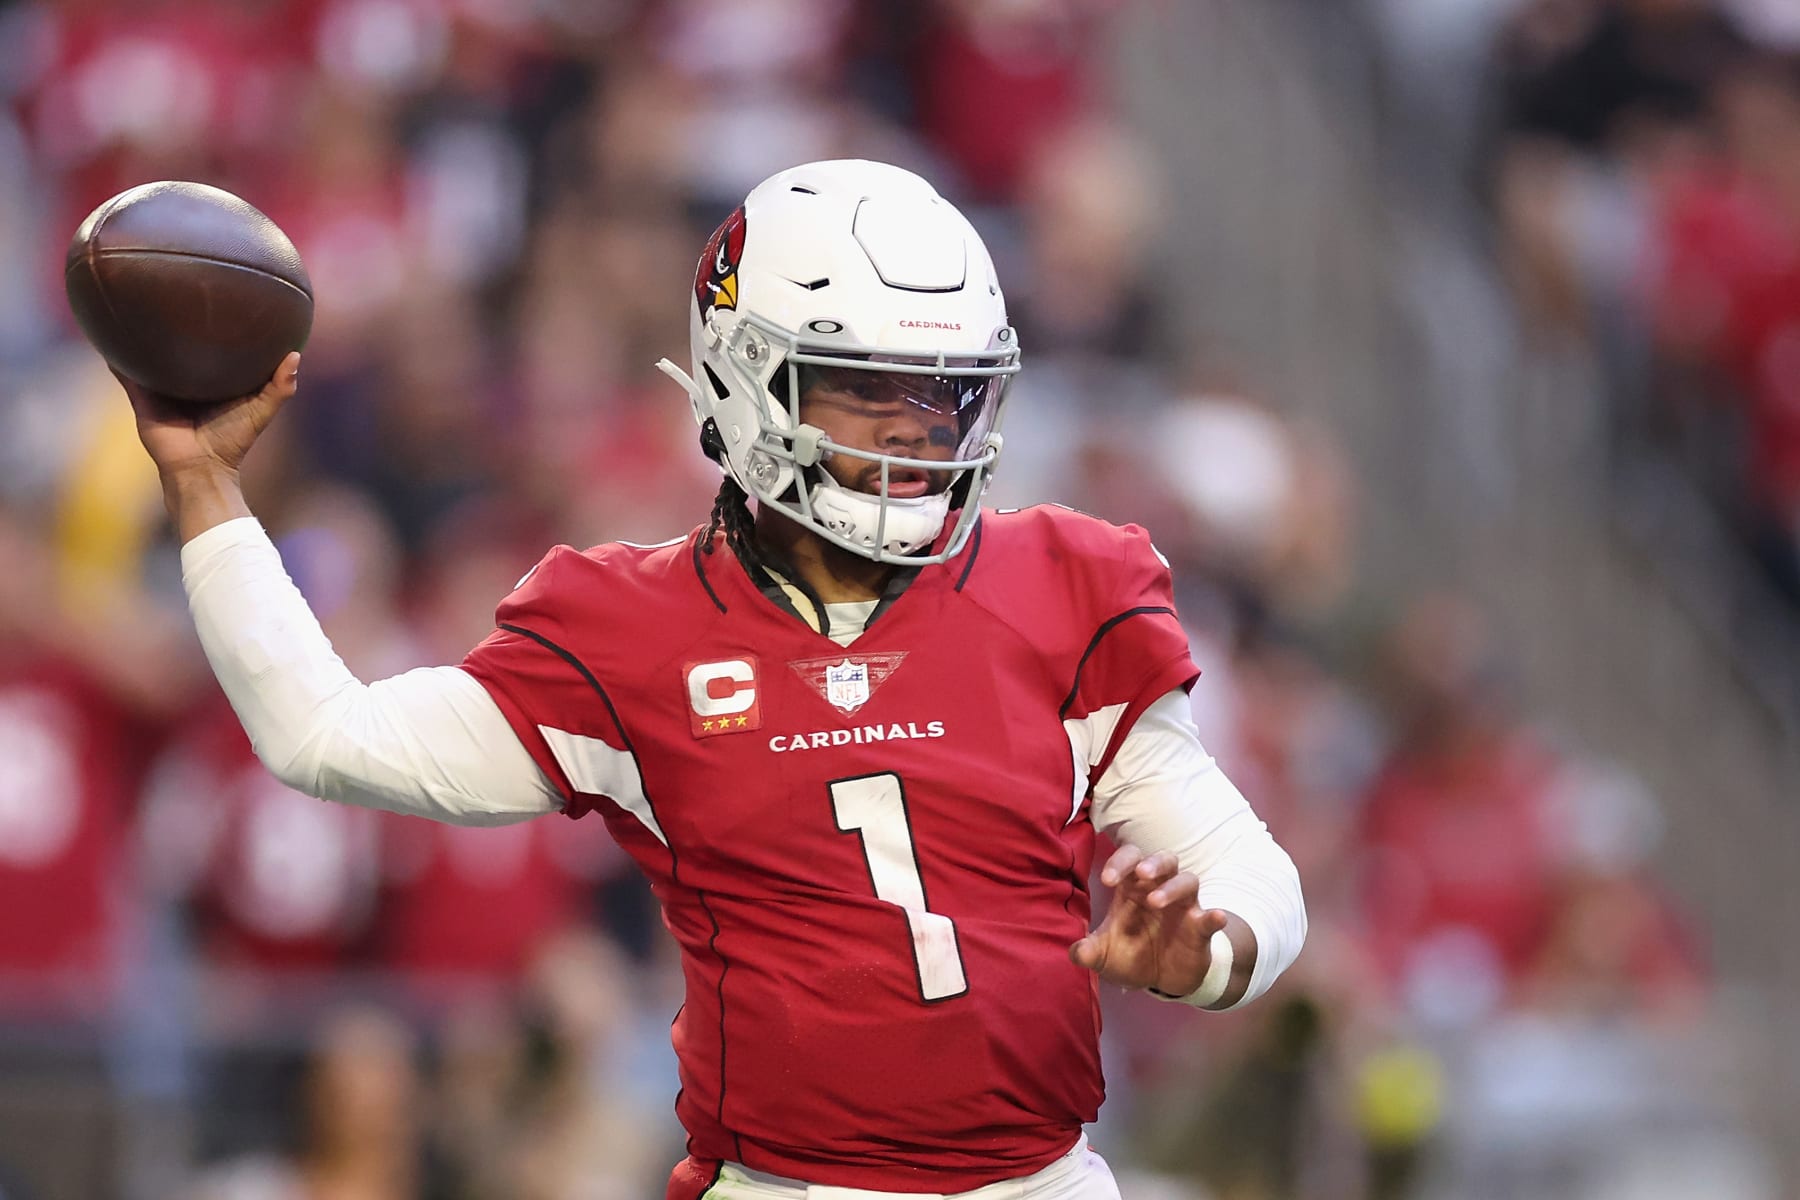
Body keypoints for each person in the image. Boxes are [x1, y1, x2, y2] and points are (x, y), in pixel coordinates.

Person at [121, 160, 1306, 1200]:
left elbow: (1249, 870)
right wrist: (206, 492)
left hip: (1046, 1182)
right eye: (867, 388)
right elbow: (329, 735)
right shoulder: (632, 630)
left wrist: (1209, 955)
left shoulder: (1067, 585)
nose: (915, 433)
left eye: (942, 395)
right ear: (747, 379)